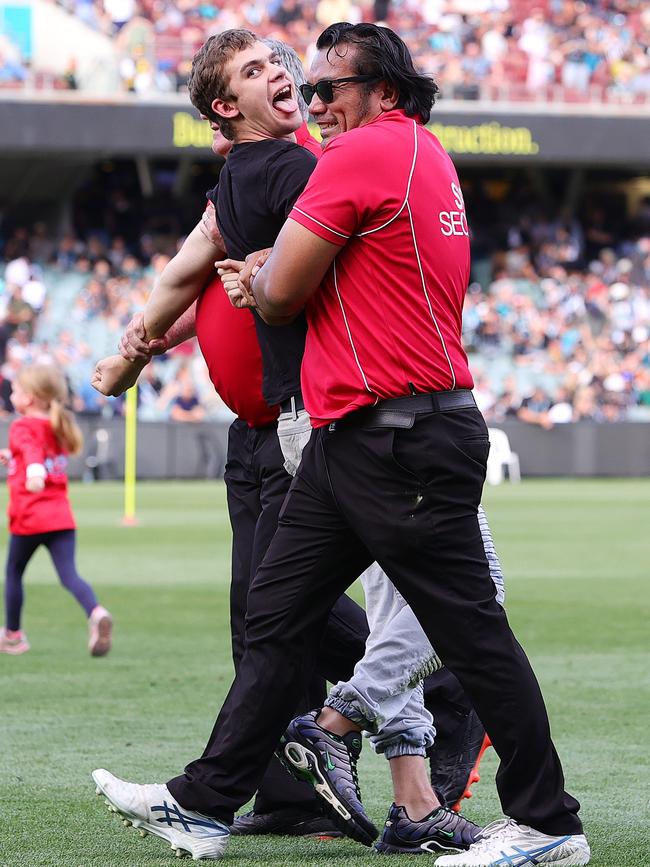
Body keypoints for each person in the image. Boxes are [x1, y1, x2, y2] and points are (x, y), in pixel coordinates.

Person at [88, 27, 581, 866]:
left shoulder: (354, 157)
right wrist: (177, 322)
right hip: (359, 433)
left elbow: (277, 296)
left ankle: (545, 820)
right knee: (277, 615)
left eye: (328, 88)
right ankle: (203, 802)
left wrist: (256, 279)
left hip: (398, 434)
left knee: (469, 630)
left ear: (384, 91)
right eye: (300, 85)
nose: (312, 99)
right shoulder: (422, 151)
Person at [0, 364, 112, 657]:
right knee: (69, 575)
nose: (12, 394)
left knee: (13, 571)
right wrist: (12, 457)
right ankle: (96, 612)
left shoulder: (21, 425)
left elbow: (34, 452)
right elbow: (35, 449)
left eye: (17, 390)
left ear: (32, 397)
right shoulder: (55, 424)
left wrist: (34, 471)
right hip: (61, 517)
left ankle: (13, 635)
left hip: (30, 516)